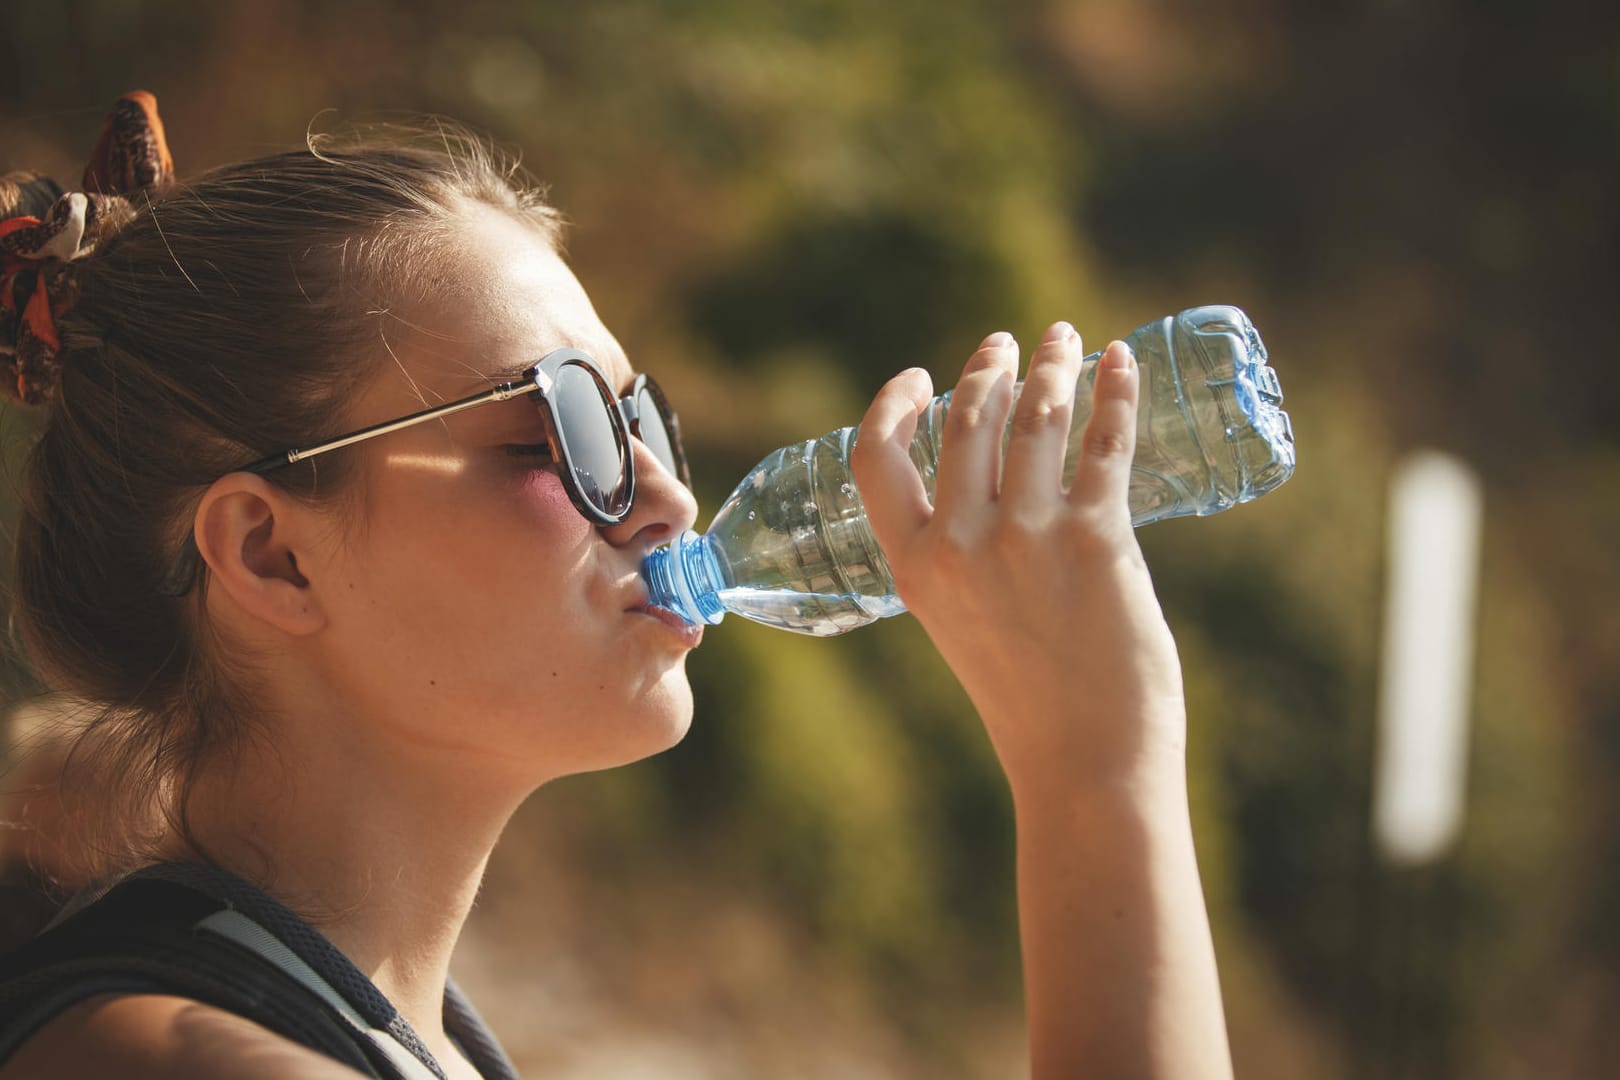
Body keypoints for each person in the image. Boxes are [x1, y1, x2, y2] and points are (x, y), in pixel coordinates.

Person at [0, 92, 1232, 1078]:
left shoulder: (376, 1027)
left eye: (644, 418)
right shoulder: (175, 1056)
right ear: (272, 553)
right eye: (563, 429)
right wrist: (1095, 771)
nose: (671, 497)